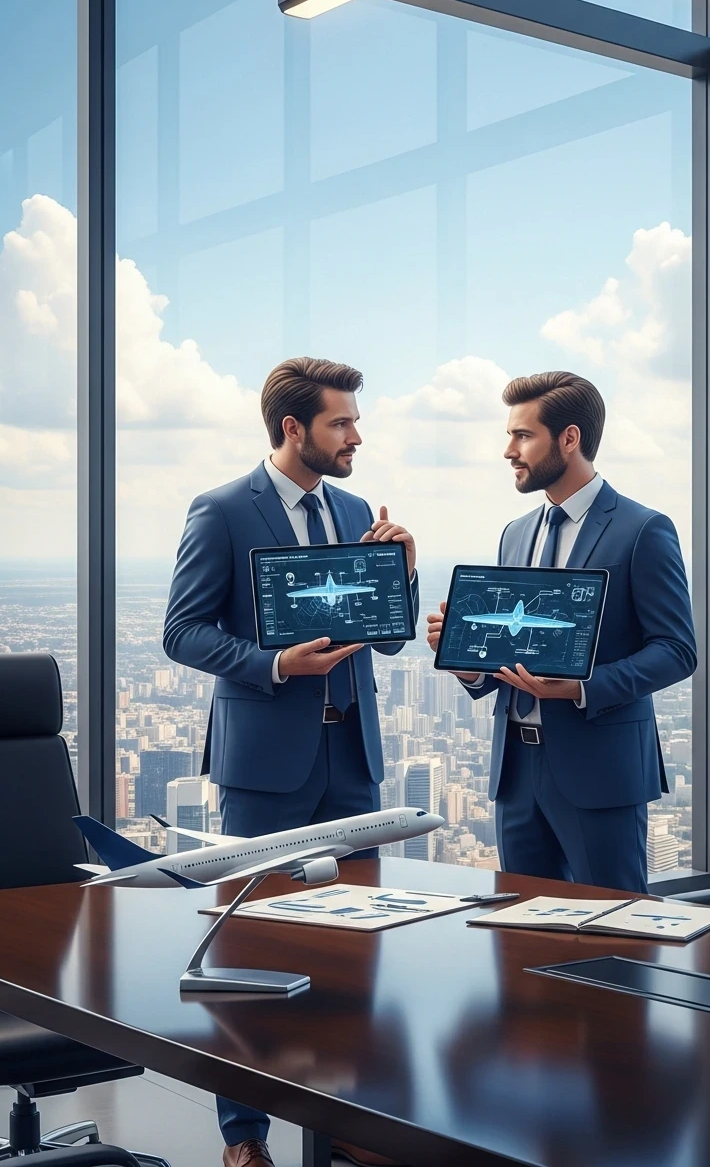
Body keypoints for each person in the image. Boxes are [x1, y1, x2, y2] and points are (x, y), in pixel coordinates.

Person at [164, 356, 417, 1167]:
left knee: (355, 945)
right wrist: (277, 666)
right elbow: (183, 631)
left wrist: (402, 574)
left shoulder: (352, 510)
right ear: (292, 428)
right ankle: (245, 1138)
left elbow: (387, 634)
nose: (356, 436)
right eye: (342, 422)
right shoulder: (222, 512)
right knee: (250, 951)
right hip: (267, 762)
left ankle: (350, 1117)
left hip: (353, 760)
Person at [427, 370, 696, 893]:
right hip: (516, 772)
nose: (509, 450)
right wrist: (467, 664)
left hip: (599, 772)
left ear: (569, 439)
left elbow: (677, 650)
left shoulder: (642, 529)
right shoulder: (516, 533)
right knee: (520, 934)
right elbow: (507, 657)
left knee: (613, 928)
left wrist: (580, 688)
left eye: (522, 435)